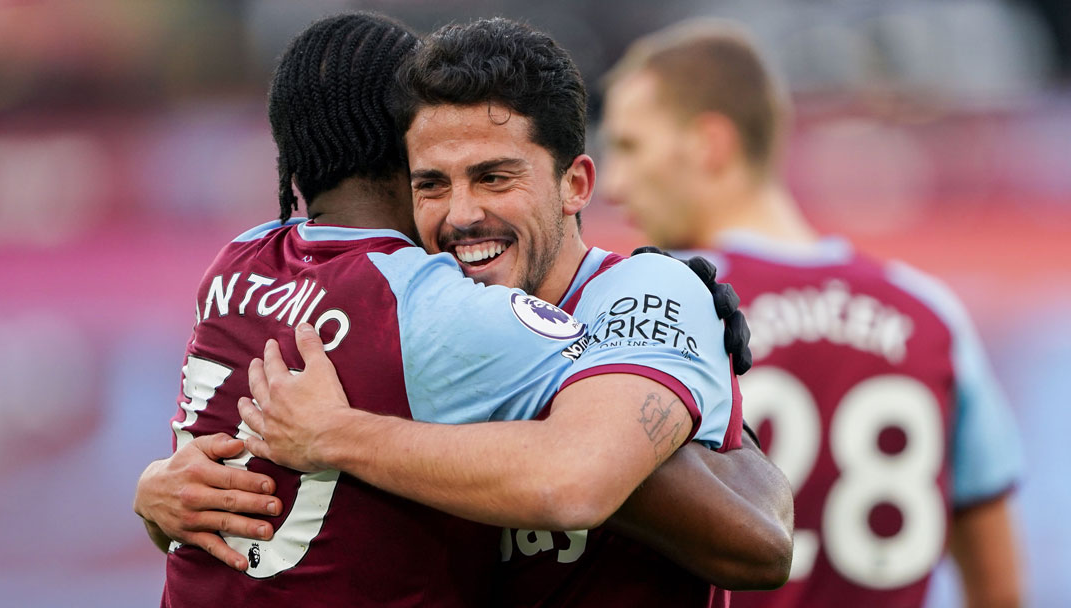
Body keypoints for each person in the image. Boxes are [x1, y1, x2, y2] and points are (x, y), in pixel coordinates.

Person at [133, 13, 792, 608]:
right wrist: (162, 499)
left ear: (575, 184)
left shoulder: (645, 298)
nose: (461, 214)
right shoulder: (415, 320)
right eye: (432, 185)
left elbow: (758, 543)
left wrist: (340, 436)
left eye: (494, 178)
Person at [600, 18, 1023, 608]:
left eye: (629, 146)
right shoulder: (930, 313)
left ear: (709, 144)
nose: (615, 183)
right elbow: (999, 584)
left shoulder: (659, 305)